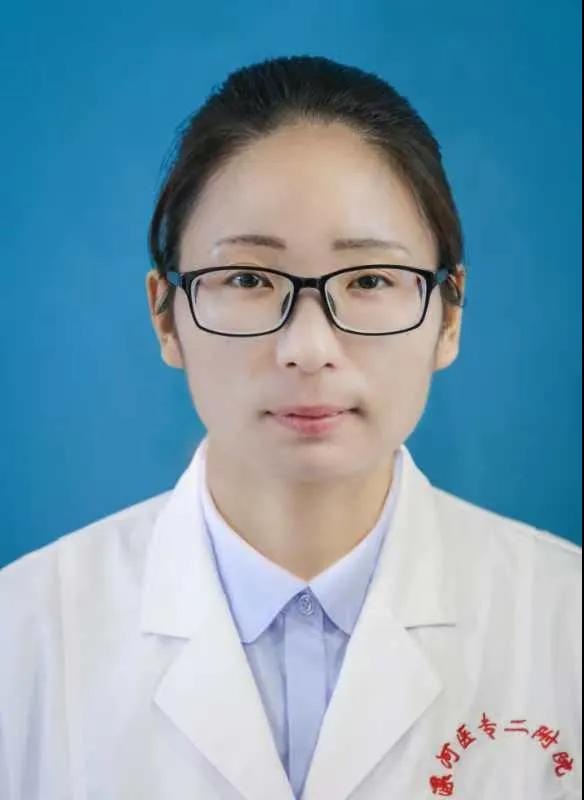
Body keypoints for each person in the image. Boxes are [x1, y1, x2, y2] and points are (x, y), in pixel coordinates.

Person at [0, 55, 581, 800]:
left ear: (449, 315)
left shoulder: (562, 622)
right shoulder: (23, 638)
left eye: (369, 279)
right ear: (165, 316)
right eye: (248, 279)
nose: (308, 348)